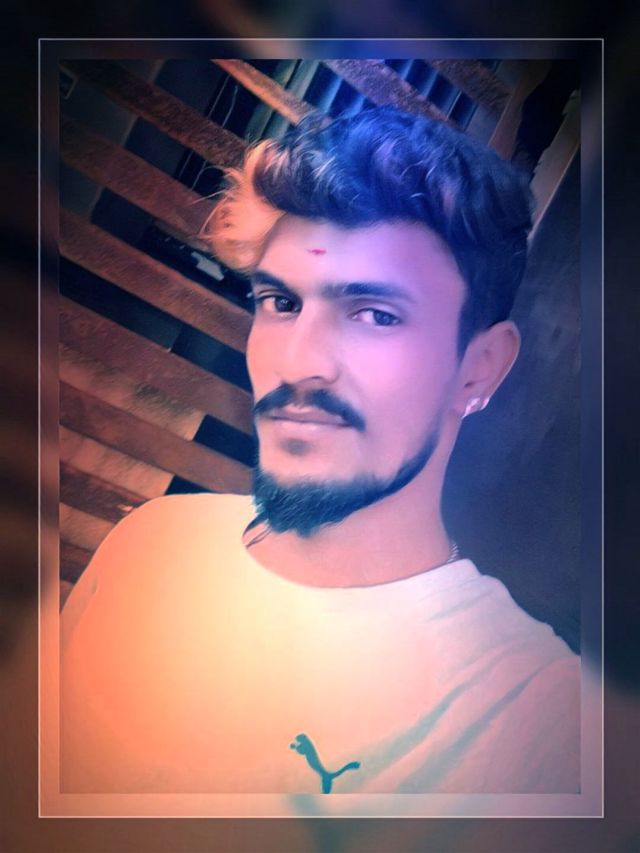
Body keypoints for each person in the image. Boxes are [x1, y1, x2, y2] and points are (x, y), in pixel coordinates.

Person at [60, 106, 579, 797]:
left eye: (375, 314)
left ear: (477, 369)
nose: (298, 363)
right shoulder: (148, 540)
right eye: (280, 302)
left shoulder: (538, 721)